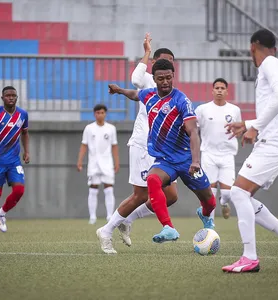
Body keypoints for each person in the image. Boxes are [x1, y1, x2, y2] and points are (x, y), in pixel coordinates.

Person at [99, 59, 216, 254]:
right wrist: (120, 90)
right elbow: (136, 94)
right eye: (160, 78)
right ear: (154, 79)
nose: (165, 82)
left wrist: (196, 160)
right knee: (152, 179)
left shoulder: (181, 100)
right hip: (165, 160)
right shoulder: (149, 95)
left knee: (210, 202)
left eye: (168, 78)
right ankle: (168, 227)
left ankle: (204, 214)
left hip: (186, 160)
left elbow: (193, 132)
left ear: (173, 77)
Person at [223, 29, 278, 273]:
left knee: (237, 193)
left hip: (276, 142)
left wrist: (255, 126)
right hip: (275, 140)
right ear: (275, 47)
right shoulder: (272, 63)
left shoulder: (270, 63)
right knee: (242, 195)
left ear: (252, 47)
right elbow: (277, 104)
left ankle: (250, 257)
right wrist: (248, 124)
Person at [97, 34, 179, 252]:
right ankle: (106, 230)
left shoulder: (171, 89)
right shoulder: (149, 81)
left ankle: (128, 219)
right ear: (154, 64)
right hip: (143, 145)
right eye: (162, 60)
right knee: (141, 194)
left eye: (170, 61)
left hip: (162, 150)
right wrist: (146, 51)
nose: (167, 64)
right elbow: (134, 81)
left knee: (171, 195)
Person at [0, 86, 29, 235]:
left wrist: (26, 151)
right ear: (2, 98)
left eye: (13, 95)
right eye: (8, 95)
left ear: (16, 98)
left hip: (14, 160)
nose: (11, 97)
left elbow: (25, 133)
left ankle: (1, 213)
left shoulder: (22, 114)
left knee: (19, 190)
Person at [195, 78, 241, 221]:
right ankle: (210, 227)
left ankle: (224, 202)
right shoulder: (202, 109)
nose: (219, 90)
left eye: (222, 88)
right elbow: (194, 131)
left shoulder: (234, 110)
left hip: (227, 155)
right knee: (210, 192)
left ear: (227, 91)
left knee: (228, 193)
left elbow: (239, 129)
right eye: (217, 88)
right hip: (208, 154)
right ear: (212, 90)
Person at [77, 104, 119, 224]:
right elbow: (84, 145)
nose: (100, 115)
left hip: (107, 163)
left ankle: (110, 216)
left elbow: (114, 146)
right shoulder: (89, 128)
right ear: (94, 114)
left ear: (105, 114)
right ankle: (92, 217)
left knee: (109, 188)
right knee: (93, 188)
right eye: (97, 113)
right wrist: (80, 161)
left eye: (102, 113)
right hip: (93, 163)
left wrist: (117, 162)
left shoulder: (111, 128)